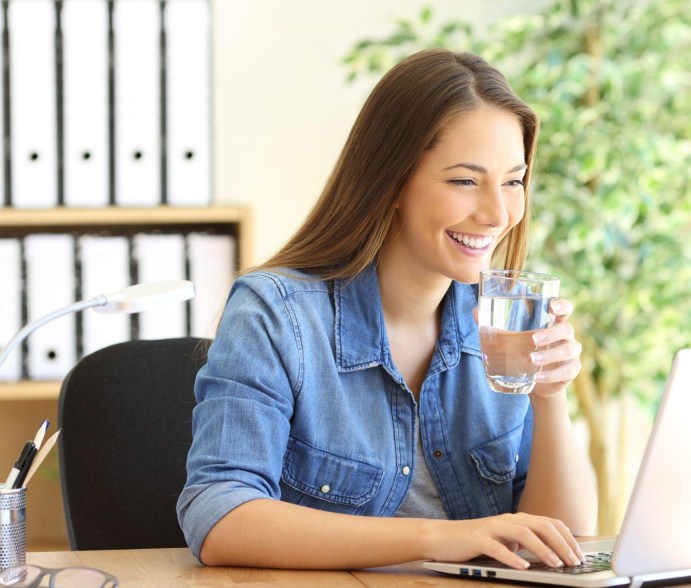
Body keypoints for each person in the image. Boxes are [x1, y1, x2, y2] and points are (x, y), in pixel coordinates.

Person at [176, 48, 597, 571]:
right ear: (393, 182)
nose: (497, 213)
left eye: (513, 181)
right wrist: (435, 538)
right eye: (465, 180)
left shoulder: (502, 323)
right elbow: (220, 517)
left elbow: (565, 545)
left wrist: (551, 399)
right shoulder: (277, 315)